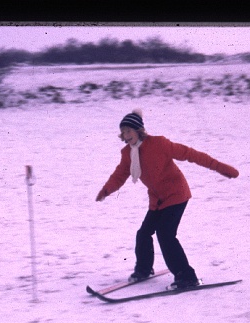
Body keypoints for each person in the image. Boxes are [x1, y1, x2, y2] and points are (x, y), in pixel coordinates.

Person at [95, 109, 239, 289]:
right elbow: (120, 174)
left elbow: (191, 154)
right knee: (143, 233)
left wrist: (221, 168)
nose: (126, 135)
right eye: (123, 132)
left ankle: (186, 277)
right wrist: (106, 190)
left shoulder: (159, 144)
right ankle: (144, 269)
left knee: (165, 234)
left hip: (176, 194)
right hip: (157, 200)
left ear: (139, 130)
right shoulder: (128, 153)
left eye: (129, 130)